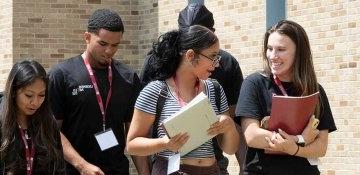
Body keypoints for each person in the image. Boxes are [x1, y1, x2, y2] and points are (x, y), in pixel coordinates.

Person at [139, 4, 245, 174]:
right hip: (170, 166)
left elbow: (231, 139)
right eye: (212, 57)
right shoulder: (155, 82)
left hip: (213, 165)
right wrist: (163, 145)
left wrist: (229, 127)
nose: (216, 62)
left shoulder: (217, 82)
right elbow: (135, 137)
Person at [48, 9, 148, 174]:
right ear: (87, 37)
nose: (109, 51)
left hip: (116, 170)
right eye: (103, 44)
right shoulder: (62, 75)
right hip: (74, 170)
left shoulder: (128, 78)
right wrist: (82, 165)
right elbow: (51, 130)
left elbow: (135, 134)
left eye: (115, 45)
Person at [235, 20, 337, 175]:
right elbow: (252, 136)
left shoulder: (314, 90)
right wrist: (300, 140)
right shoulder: (254, 83)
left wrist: (293, 148)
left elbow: (321, 147)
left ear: (298, 53)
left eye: (281, 49)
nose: (273, 56)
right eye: (269, 49)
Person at [0, 60, 66, 174]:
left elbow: (59, 167)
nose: (35, 102)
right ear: (14, 92)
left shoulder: (49, 125)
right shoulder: (2, 124)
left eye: (41, 95)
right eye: (29, 95)